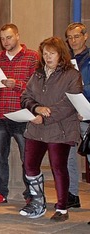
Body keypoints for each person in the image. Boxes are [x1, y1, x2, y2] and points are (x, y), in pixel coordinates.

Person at [20, 36, 82, 221]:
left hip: (60, 128)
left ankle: (62, 208)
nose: (47, 57)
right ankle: (38, 202)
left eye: (52, 53)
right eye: (45, 54)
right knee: (29, 165)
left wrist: (45, 117)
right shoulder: (37, 74)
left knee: (58, 167)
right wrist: (35, 108)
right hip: (36, 128)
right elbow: (25, 96)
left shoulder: (72, 75)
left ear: (60, 54)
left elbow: (70, 103)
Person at [0, 24, 40, 205]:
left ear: (17, 36)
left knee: (27, 156)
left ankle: (31, 194)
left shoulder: (32, 56)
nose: (5, 42)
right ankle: (0, 192)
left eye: (9, 37)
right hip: (0, 113)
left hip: (21, 113)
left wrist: (16, 84)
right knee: (0, 157)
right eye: (2, 38)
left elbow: (37, 87)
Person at [65, 22, 89, 210]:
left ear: (85, 36)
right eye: (70, 37)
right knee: (69, 156)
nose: (73, 40)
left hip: (88, 113)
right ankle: (72, 194)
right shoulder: (65, 60)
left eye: (77, 36)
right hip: (70, 114)